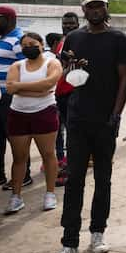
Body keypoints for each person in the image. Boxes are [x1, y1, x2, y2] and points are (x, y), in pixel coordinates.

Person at [47, 0, 126, 253]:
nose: (95, 10)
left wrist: (116, 115)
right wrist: (72, 66)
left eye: (100, 5)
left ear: (106, 8)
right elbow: (69, 78)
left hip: (105, 121)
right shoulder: (74, 38)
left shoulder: (118, 39)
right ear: (83, 9)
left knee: (104, 179)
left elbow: (124, 79)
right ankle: (69, 243)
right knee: (73, 181)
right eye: (90, 6)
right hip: (78, 118)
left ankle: (98, 232)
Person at [4, 33, 63, 214]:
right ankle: (16, 197)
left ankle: (50, 194)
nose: (29, 47)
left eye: (33, 43)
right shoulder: (17, 65)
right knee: (19, 157)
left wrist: (21, 88)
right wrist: (39, 89)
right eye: (25, 45)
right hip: (18, 114)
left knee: (48, 154)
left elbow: (50, 84)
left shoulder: (52, 63)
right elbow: (10, 88)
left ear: (41, 44)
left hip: (44, 112)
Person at [0, 6, 31, 190]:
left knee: (15, 138)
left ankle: (23, 175)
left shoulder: (19, 39)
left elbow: (26, 66)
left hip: (10, 98)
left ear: (9, 20)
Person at [53, 12, 80, 185]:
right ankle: (63, 162)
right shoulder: (60, 43)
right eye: (65, 23)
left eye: (71, 23)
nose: (68, 26)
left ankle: (72, 168)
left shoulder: (80, 41)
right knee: (59, 129)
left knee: (73, 132)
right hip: (59, 93)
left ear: (78, 24)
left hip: (74, 92)